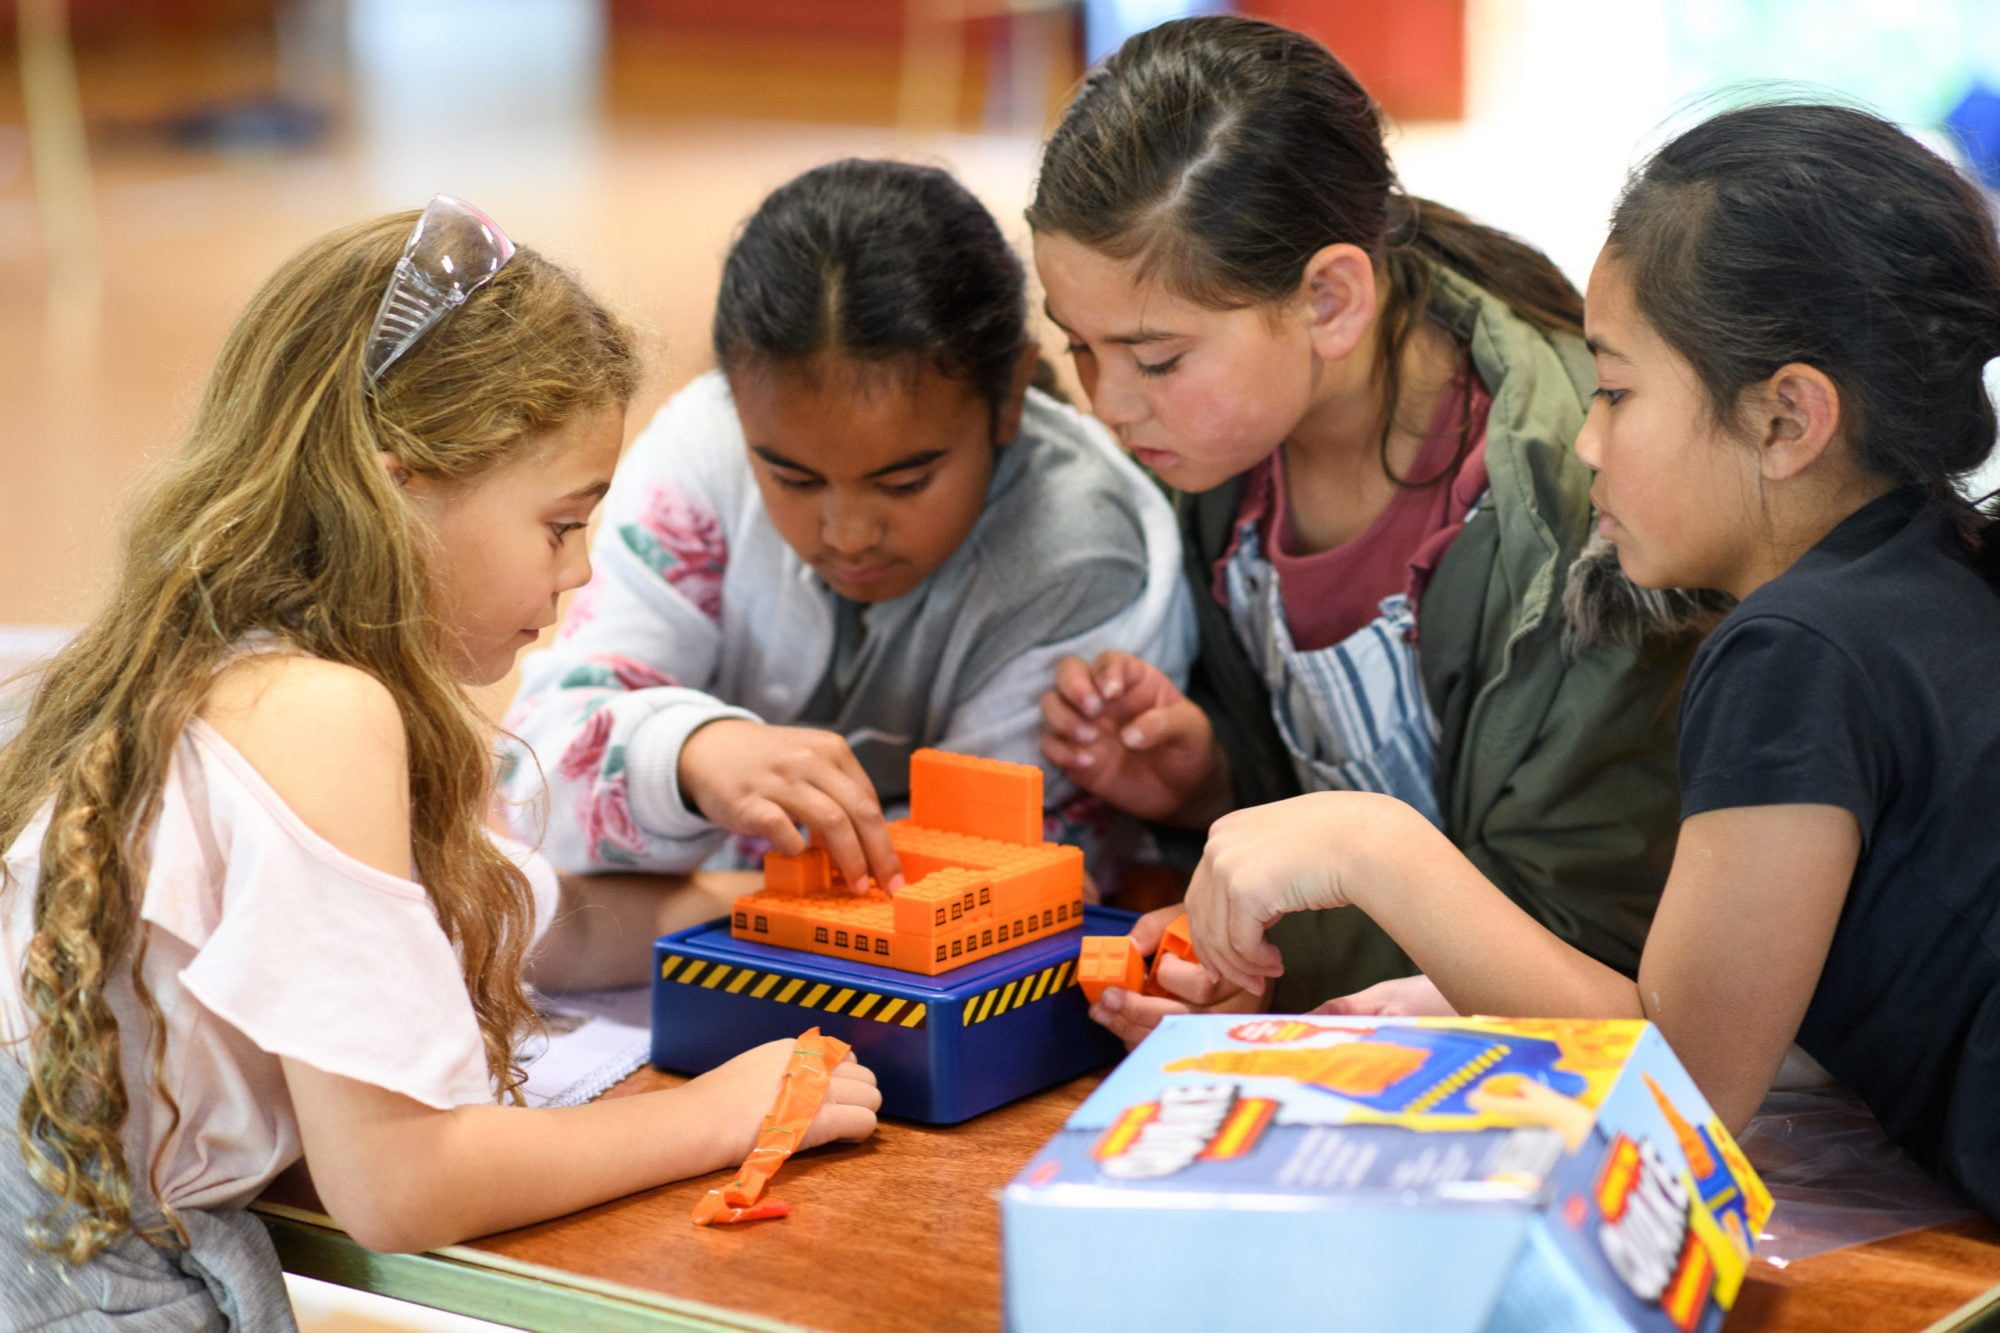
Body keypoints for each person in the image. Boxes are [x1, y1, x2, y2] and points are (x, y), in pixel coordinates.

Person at [0, 199, 879, 1326]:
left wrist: (773, 907)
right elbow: (400, 1186)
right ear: (398, 484)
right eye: (561, 524)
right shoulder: (319, 715)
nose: (575, 576)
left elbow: (533, 920)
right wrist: (725, 1113)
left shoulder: (232, 661)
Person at [1180, 103, 2000, 1216]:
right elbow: (1764, 1010)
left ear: (1784, 418)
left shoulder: (1794, 651)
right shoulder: (1930, 572)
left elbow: (1683, 1090)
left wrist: (1372, 846)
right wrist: (1479, 995)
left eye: (1614, 390)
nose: (1583, 439)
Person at [1027, 15, 1717, 1025]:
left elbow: (1579, 934)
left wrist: (1252, 955)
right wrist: (1200, 777)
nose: (1108, 403)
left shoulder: (1584, 501)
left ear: (1330, 299)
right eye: (1076, 347)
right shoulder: (1208, 455)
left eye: (1156, 358)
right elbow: (1293, 787)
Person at [503, 159, 1192, 891]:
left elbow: (988, 876)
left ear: (1010, 395)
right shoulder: (700, 456)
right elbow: (533, 780)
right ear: (734, 401)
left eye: (905, 481)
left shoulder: (1082, 551)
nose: (850, 532)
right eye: (793, 479)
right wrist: (691, 754)